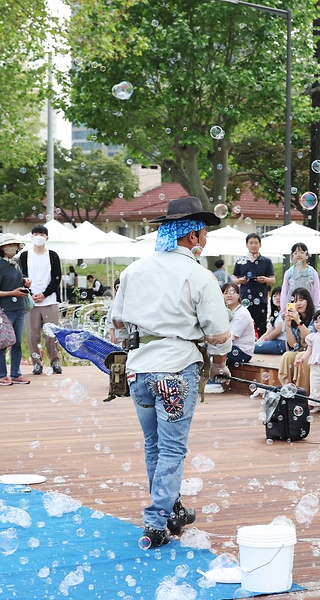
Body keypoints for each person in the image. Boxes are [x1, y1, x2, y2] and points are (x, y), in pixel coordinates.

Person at [109, 196, 231, 548]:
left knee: (154, 445)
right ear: (192, 236)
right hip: (176, 371)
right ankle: (157, 520)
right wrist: (220, 364)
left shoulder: (134, 270)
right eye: (204, 232)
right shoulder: (199, 275)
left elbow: (117, 324)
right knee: (173, 448)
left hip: (138, 373)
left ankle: (171, 507)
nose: (206, 239)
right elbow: (219, 334)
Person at [18, 224, 63, 375]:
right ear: (31, 237)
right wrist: (30, 293)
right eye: (36, 233)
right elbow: (21, 277)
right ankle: (36, 363)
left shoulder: (52, 255)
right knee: (32, 334)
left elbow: (57, 278)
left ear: (47, 237)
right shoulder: (24, 256)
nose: (38, 236)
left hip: (49, 300)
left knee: (52, 333)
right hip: (30, 301)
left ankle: (55, 361)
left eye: (42, 234)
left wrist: (44, 294)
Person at [0, 234, 32, 386]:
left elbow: (15, 282)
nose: (12, 247)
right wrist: (12, 293)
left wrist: (25, 281)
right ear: (2, 248)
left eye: (14, 244)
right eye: (9, 245)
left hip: (19, 308)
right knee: (3, 343)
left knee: (17, 343)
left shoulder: (15, 264)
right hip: (5, 310)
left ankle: (15, 374)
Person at [232, 232, 276, 336]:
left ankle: (260, 347)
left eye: (256, 243)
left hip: (261, 300)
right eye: (251, 243)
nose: (253, 245)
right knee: (243, 325)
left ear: (260, 245)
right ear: (246, 245)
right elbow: (234, 278)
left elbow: (273, 279)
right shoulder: (240, 261)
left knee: (261, 326)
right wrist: (240, 281)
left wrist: (264, 279)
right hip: (244, 298)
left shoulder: (266, 261)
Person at [276, 287, 317, 392]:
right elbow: (293, 344)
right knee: (287, 356)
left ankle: (303, 394)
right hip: (301, 350)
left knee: (300, 356)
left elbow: (311, 338)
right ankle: (288, 391)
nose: (298, 303)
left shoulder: (316, 315)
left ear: (308, 300)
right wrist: (288, 326)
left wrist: (298, 321)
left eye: (301, 300)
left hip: (315, 351)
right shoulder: (294, 317)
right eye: (295, 301)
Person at [222, 283, 255, 367]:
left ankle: (214, 380)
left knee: (214, 356)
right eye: (225, 293)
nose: (228, 295)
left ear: (238, 295)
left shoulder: (242, 313)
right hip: (229, 348)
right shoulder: (224, 312)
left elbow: (231, 337)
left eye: (232, 292)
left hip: (242, 351)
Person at [280, 242, 320, 308]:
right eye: (295, 253)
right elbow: (284, 292)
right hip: (292, 306)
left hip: (308, 306)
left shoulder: (312, 272)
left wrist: (316, 307)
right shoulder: (289, 272)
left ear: (307, 254)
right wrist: (283, 309)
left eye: (302, 252)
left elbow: (316, 291)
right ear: (292, 255)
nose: (299, 255)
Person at [254, 287, 288, 355]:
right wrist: (258, 341)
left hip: (281, 343)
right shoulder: (277, 313)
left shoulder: (284, 313)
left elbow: (278, 331)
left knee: (251, 348)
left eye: (280, 295)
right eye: (275, 296)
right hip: (276, 341)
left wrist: (265, 340)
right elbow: (269, 331)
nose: (277, 298)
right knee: (253, 346)